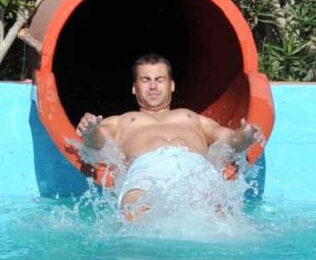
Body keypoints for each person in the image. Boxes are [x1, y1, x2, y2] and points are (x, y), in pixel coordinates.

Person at [71, 53, 262, 221]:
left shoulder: (191, 117)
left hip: (195, 168)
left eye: (159, 79)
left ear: (171, 85)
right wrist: (90, 130)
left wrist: (247, 135)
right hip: (146, 170)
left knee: (222, 219)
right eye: (145, 80)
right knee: (134, 212)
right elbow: (97, 144)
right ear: (134, 87)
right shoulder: (121, 121)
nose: (153, 86)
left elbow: (229, 140)